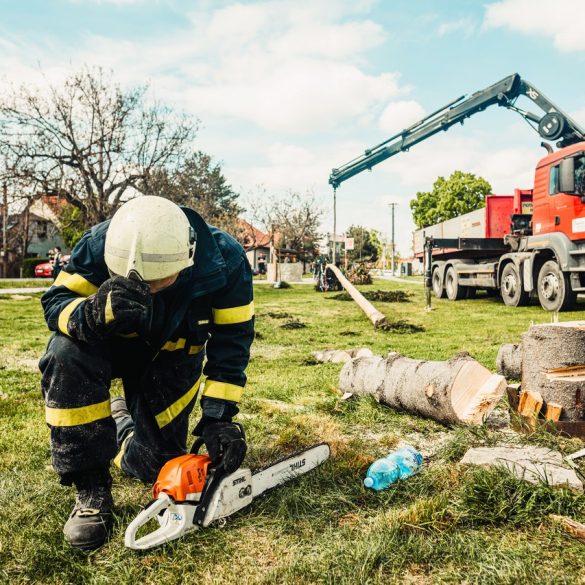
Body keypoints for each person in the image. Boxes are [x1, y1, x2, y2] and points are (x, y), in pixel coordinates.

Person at [39, 196, 254, 551]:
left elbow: (232, 343)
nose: (145, 288)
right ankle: (91, 487)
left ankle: (120, 424)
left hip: (172, 361)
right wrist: (90, 313)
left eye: (157, 281)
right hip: (106, 346)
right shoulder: (100, 243)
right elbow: (55, 303)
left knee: (154, 466)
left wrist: (219, 417)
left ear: (186, 259)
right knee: (64, 352)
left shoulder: (224, 260)